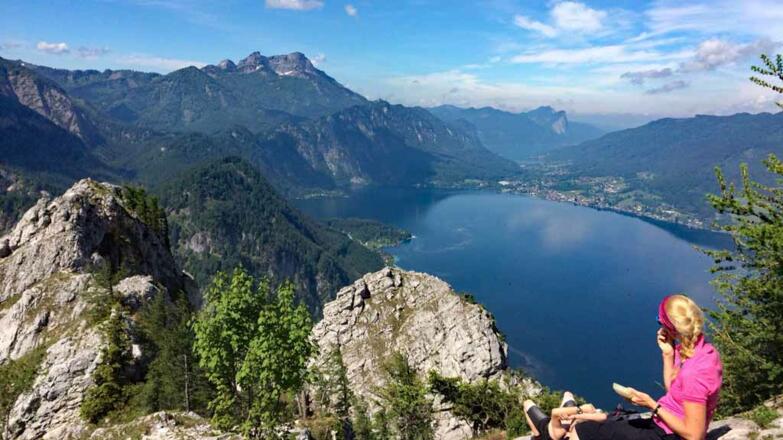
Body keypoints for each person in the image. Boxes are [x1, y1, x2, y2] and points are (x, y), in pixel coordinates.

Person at [570, 294, 723, 440]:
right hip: (666, 426)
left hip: (669, 435)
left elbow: (694, 435)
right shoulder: (699, 350)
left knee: (583, 431)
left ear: (671, 328)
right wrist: (668, 354)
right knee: (603, 425)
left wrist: (652, 405)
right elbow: (675, 392)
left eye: (660, 322)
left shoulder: (694, 371)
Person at [523, 391, 607, 440]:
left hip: (547, 428)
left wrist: (581, 409)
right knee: (568, 394)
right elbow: (603, 418)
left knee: (527, 403)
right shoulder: (579, 430)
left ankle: (537, 435)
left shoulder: (560, 432)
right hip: (562, 420)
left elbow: (554, 413)